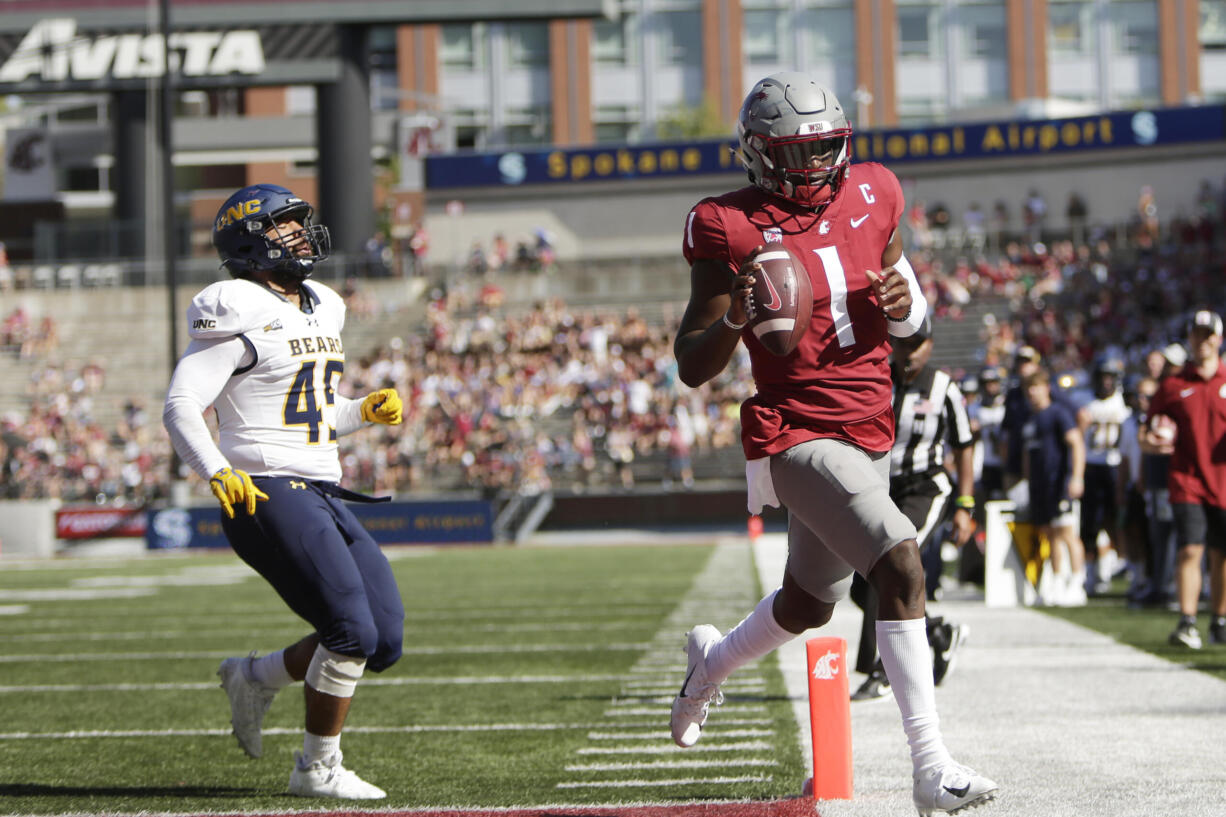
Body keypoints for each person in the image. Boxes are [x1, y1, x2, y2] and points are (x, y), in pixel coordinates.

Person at [670, 72, 997, 815]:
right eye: (798, 150)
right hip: (796, 432)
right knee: (900, 562)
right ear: (759, 153)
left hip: (870, 423)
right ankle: (930, 766)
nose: (816, 163)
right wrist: (734, 320)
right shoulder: (727, 224)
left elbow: (916, 349)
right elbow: (692, 365)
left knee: (807, 602)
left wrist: (909, 310)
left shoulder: (877, 192)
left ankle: (709, 665)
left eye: (824, 146)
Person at [162, 183, 406, 799]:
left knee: (382, 639)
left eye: (300, 224)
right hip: (266, 488)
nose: (300, 234)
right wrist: (217, 471)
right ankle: (316, 768)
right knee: (349, 629)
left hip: (322, 484)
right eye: (284, 226)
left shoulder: (322, 303)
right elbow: (183, 403)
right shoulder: (236, 303)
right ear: (249, 240)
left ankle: (256, 676)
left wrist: (363, 412)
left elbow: (314, 412)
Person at [849, 313, 976, 701]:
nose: (909, 353)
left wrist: (965, 504)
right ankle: (936, 631)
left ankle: (883, 669)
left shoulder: (943, 388)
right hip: (882, 488)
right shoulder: (876, 380)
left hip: (926, 487)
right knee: (859, 584)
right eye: (902, 344)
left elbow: (964, 444)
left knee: (887, 563)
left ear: (931, 345)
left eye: (916, 344)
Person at [1143, 309, 1226, 649]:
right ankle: (1187, 620)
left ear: (1218, 339)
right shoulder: (1174, 385)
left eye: (1208, 335)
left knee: (1221, 553)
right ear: (1189, 338)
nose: (1202, 341)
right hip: (1186, 478)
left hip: (1223, 481)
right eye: (1197, 334)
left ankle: (1219, 620)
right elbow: (1145, 432)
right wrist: (1152, 442)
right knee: (1190, 548)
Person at [1021, 368, 1087, 606]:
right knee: (1051, 535)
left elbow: (1076, 443)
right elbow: (1029, 455)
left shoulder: (1058, 413)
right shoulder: (1030, 419)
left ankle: (1078, 583)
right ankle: (1057, 580)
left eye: (1035, 386)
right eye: (1028, 388)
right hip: (1040, 486)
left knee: (1067, 533)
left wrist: (1076, 476)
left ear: (1046, 388)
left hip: (1060, 483)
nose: (1031, 392)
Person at [1076, 357, 1131, 595]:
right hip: (1091, 465)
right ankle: (1091, 571)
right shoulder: (1084, 402)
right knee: (1089, 522)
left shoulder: (1123, 404)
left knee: (1115, 518)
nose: (1105, 382)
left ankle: (1113, 565)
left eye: (1110, 378)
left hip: (1115, 465)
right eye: (1102, 377)